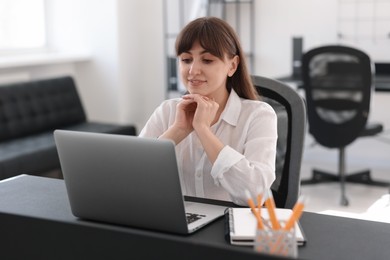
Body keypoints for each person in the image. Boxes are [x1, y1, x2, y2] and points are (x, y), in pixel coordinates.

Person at [139, 16, 277, 206]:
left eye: (207, 60)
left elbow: (255, 194)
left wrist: (203, 130)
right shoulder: (167, 111)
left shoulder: (259, 115)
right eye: (186, 59)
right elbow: (134, 178)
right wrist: (178, 130)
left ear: (232, 65)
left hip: (235, 224)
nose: (193, 70)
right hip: (180, 222)